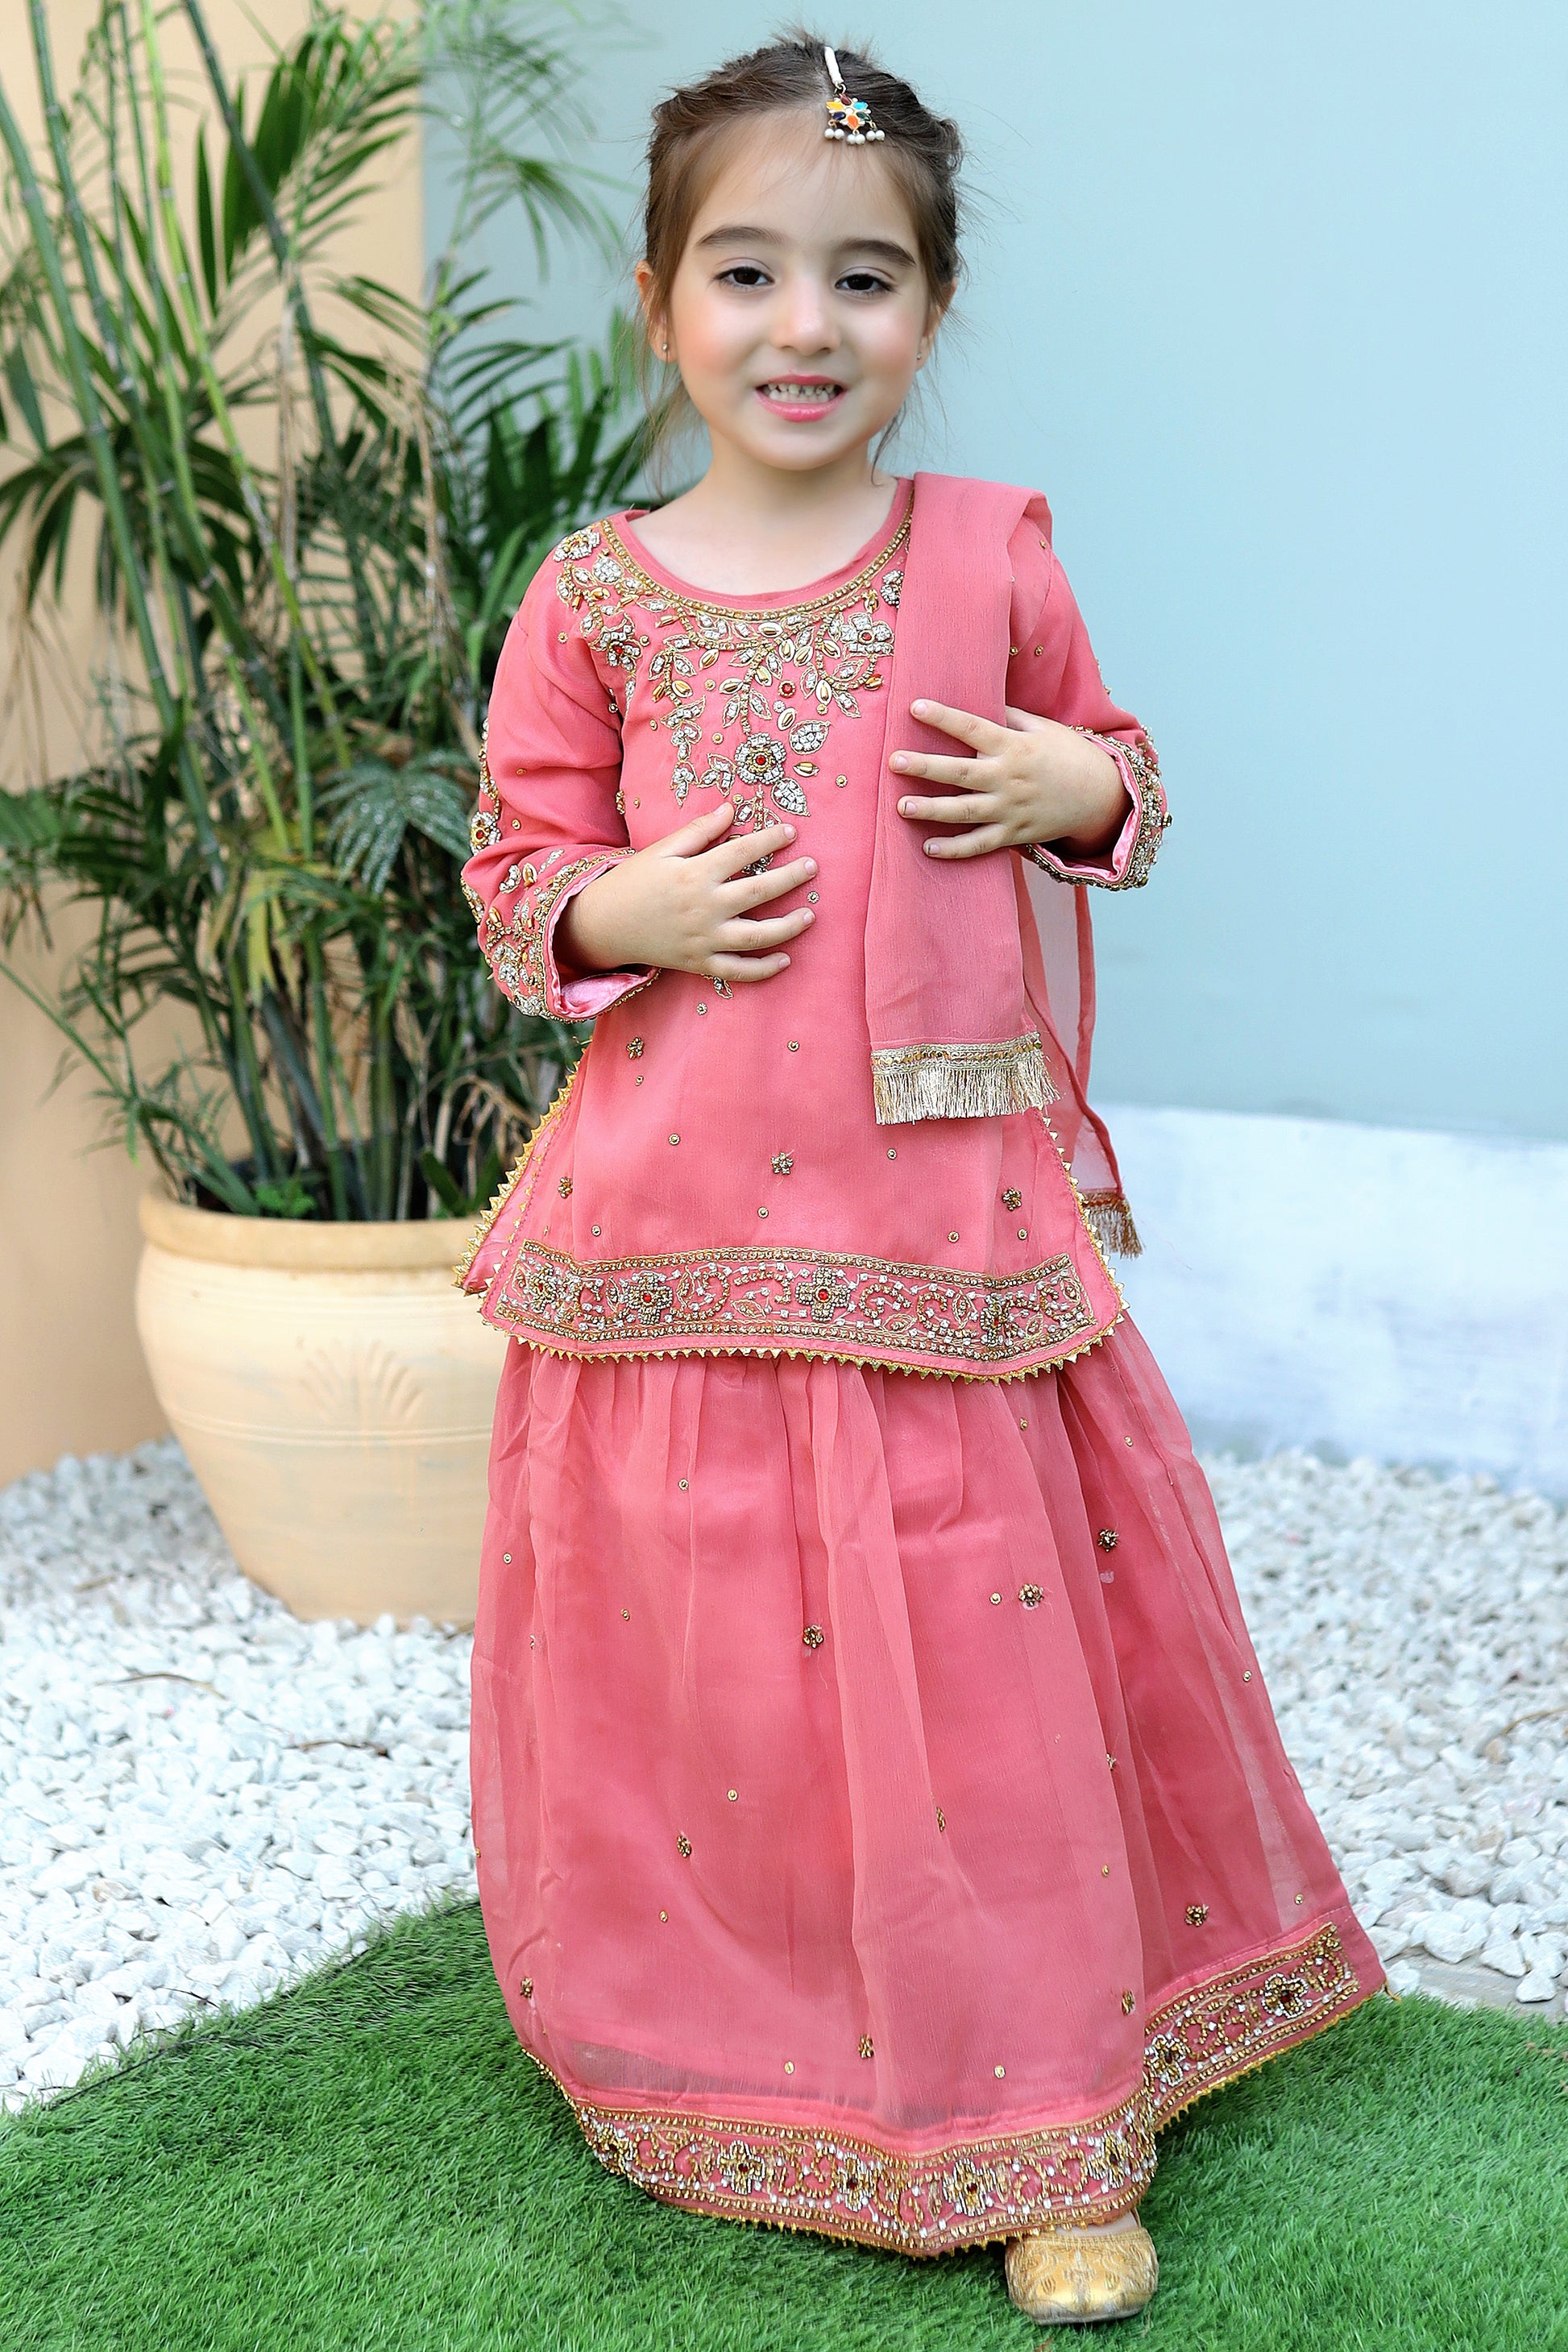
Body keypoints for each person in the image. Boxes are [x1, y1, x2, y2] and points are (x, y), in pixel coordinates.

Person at [456, 35, 1380, 2327]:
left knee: (974, 1662)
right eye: (746, 271)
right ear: (659, 303)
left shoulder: (987, 558)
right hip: (678, 1232)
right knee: (712, 1676)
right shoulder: (591, 596)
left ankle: (1045, 2111)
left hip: (938, 1235)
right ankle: (717, 2046)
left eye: (864, 278)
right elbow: (515, 872)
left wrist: (1083, 782)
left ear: (931, 312)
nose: (806, 324)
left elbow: (1120, 781)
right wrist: (619, 908)